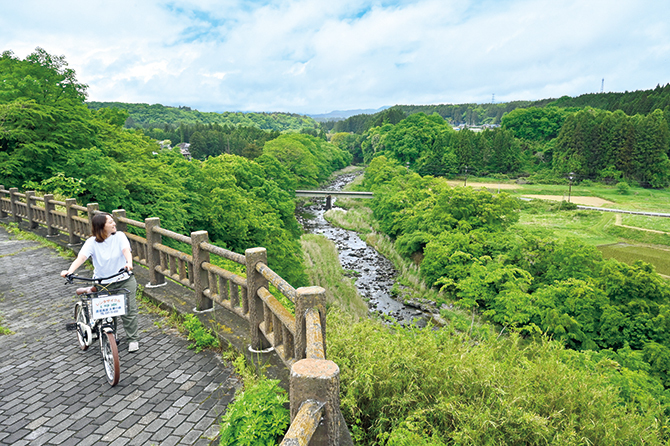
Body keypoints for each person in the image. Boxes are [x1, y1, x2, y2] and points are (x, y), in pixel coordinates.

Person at [61, 212, 140, 352]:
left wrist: (129, 263)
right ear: (101, 227)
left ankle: (132, 339)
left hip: (123, 279)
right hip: (103, 282)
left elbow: (126, 250)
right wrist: (70, 271)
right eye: (110, 222)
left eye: (113, 221)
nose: (114, 224)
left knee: (128, 311)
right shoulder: (92, 242)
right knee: (108, 312)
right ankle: (111, 335)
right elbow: (82, 257)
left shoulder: (120, 236)